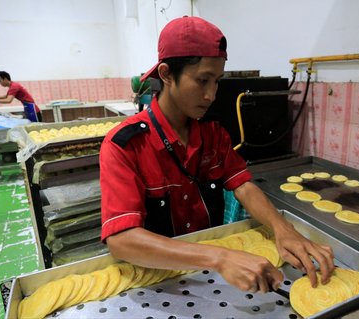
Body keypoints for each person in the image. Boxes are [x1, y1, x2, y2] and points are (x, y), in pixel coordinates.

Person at [99, 16, 334, 294]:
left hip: (207, 276)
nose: (211, 95)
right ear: (166, 74)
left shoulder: (212, 134)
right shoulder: (125, 145)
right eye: (202, 80)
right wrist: (219, 258)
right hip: (156, 279)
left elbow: (243, 185)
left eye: (217, 81)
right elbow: (121, 239)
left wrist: (282, 229)